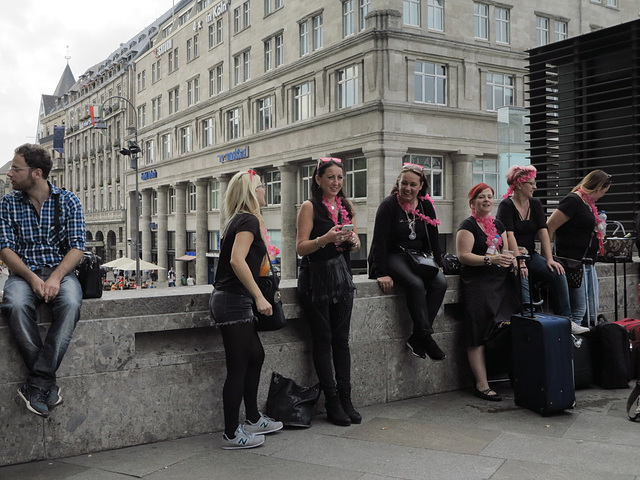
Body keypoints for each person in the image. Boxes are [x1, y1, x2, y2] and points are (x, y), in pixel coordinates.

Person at [0, 144, 85, 417]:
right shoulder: (7, 203)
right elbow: (5, 248)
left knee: (71, 303)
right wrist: (33, 279)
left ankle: (36, 383)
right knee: (14, 304)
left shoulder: (68, 201)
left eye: (16, 168)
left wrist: (56, 277)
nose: (9, 174)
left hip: (61, 272)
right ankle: (45, 383)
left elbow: (76, 248)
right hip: (23, 274)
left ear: (36, 173)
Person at [209, 170, 283, 450]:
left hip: (232, 299)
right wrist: (259, 298)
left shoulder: (237, 220)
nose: (266, 191)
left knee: (256, 355)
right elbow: (237, 261)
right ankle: (231, 433)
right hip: (233, 300)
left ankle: (252, 418)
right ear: (253, 193)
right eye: (262, 187)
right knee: (237, 367)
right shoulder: (247, 220)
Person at [296, 157, 361, 427]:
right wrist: (325, 239)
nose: (336, 182)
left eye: (340, 178)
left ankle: (346, 398)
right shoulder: (309, 206)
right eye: (331, 177)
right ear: (318, 179)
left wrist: (354, 241)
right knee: (323, 339)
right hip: (316, 279)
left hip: (342, 278)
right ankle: (332, 401)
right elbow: (300, 247)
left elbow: (355, 246)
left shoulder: (347, 206)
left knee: (341, 341)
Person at [368, 162, 446, 360]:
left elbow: (434, 237)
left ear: (421, 186)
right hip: (392, 255)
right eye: (404, 183)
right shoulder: (388, 206)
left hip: (418, 256)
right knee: (415, 284)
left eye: (413, 184)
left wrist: (439, 263)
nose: (408, 188)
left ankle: (418, 336)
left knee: (440, 283)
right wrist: (381, 273)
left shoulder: (426, 205)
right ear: (398, 183)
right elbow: (379, 242)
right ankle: (426, 337)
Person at [496, 165, 580, 331]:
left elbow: (543, 231)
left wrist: (549, 259)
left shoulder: (535, 204)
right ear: (519, 184)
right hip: (513, 255)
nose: (535, 187)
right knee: (522, 275)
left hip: (531, 254)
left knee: (557, 272)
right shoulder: (506, 205)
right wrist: (519, 261)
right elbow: (509, 235)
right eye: (531, 183)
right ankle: (529, 318)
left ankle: (567, 320)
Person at [456, 183, 519, 402]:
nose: (486, 200)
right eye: (481, 197)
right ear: (472, 203)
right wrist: (489, 259)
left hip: (500, 281)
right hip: (478, 282)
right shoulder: (467, 225)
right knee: (477, 331)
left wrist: (511, 259)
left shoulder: (498, 224)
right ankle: (482, 384)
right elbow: (463, 255)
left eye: (490, 197)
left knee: (511, 324)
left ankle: (512, 375)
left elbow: (507, 250)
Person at [547, 170, 611, 327]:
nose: (603, 195)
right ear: (596, 188)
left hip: (587, 262)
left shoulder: (587, 203)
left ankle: (585, 343)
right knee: (579, 309)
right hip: (573, 263)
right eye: (603, 191)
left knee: (591, 308)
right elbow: (549, 226)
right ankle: (573, 345)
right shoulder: (573, 200)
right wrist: (548, 256)